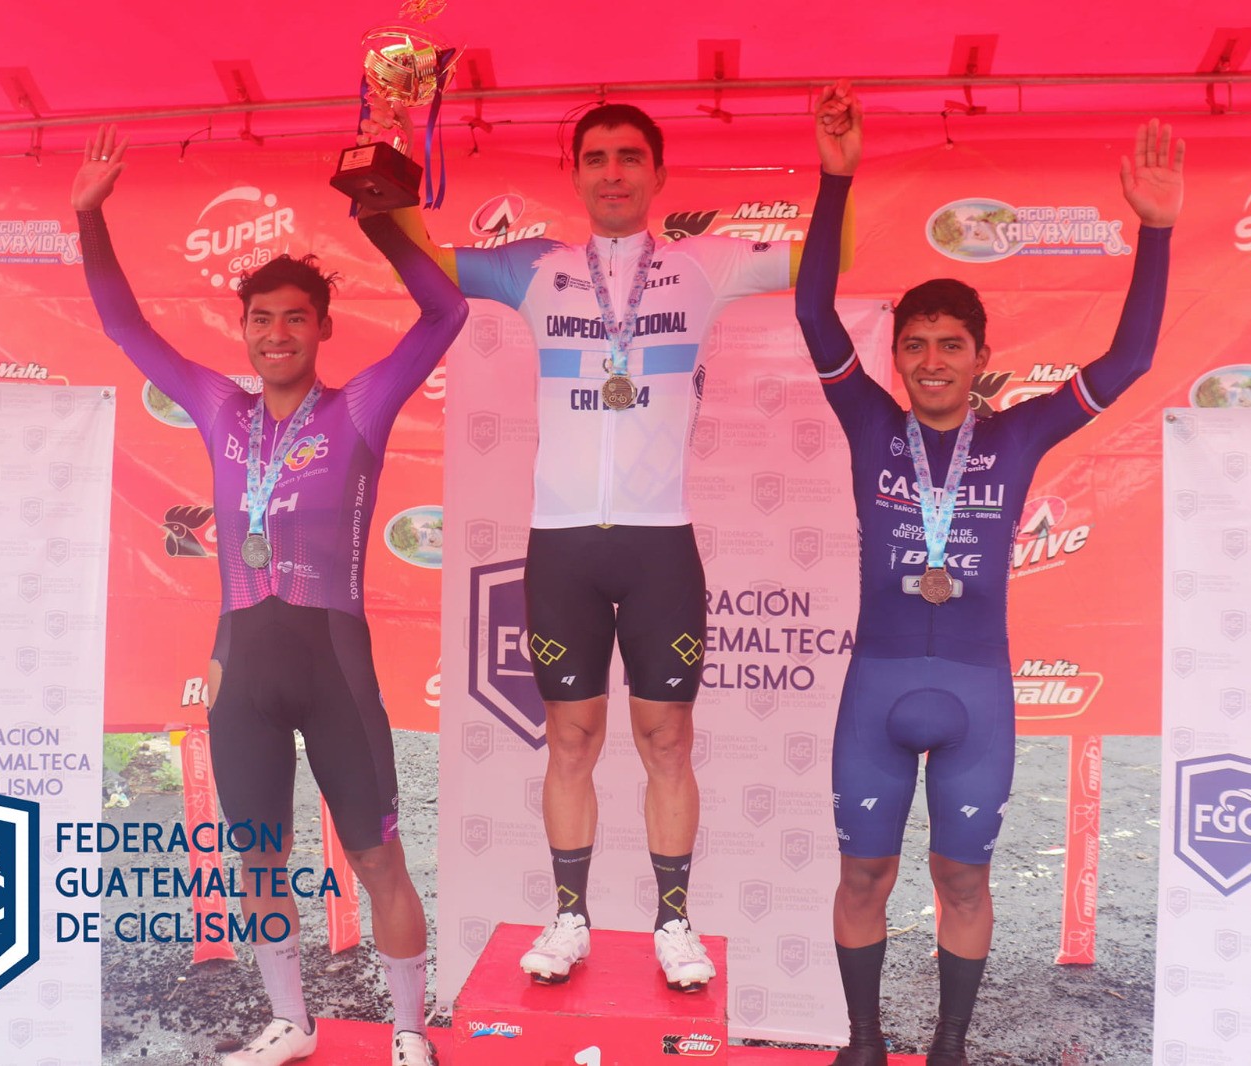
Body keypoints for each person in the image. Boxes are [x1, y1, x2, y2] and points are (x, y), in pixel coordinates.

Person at [360, 100, 857, 990]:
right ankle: (570, 919)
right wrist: (385, 182)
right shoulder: (535, 269)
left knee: (667, 740)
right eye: (596, 158)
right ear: (577, 174)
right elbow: (425, 262)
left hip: (660, 543)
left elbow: (833, 259)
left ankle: (675, 923)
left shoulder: (704, 265)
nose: (614, 172)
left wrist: (837, 174)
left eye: (630, 157)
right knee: (571, 738)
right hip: (562, 548)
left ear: (659, 174)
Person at [796, 85, 1183, 1065]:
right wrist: (836, 178)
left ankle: (951, 1046)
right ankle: (860, 1042)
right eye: (915, 344)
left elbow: (1132, 357)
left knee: (963, 881)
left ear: (980, 357)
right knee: (862, 877)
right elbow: (810, 309)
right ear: (896, 354)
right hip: (876, 689)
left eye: (950, 345)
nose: (931, 361)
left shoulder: (1017, 435)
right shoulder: (867, 420)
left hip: (976, 694)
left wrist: (1156, 231)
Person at [72, 125, 468, 1066]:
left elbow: (446, 313)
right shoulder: (220, 409)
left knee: (375, 857)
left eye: (295, 318)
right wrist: (89, 217)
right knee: (257, 855)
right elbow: (127, 329)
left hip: (334, 667)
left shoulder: (358, 408)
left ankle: (409, 1031)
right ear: (243, 329)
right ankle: (291, 1021)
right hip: (243, 669)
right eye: (261, 319)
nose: (276, 334)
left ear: (323, 327)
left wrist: (381, 224)